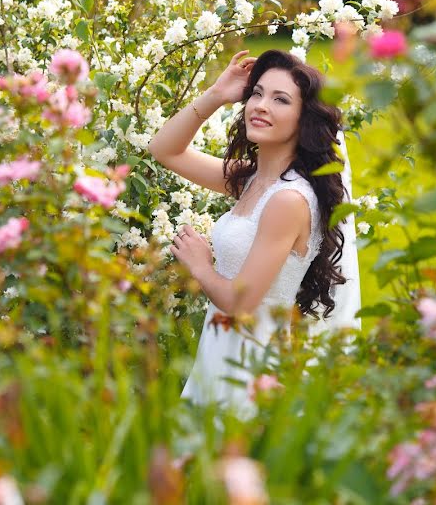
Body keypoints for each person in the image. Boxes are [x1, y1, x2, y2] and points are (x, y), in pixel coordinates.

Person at [147, 48, 358, 415]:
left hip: (251, 364)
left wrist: (201, 266)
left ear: (303, 119)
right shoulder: (253, 180)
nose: (260, 105)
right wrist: (215, 95)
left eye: (280, 99)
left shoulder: (288, 199)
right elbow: (164, 150)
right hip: (222, 350)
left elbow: (241, 303)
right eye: (257, 93)